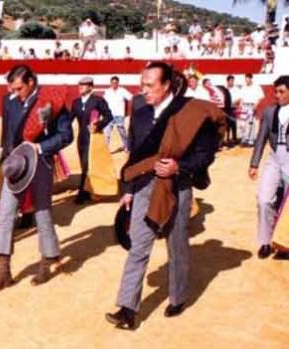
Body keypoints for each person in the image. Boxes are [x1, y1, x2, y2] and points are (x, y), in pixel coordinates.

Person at [106, 62, 226, 330]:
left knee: (177, 244)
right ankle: (127, 308)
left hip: (177, 186)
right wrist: (128, 191)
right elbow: (134, 156)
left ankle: (179, 295)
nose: (143, 90)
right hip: (145, 186)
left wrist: (178, 167)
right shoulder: (139, 114)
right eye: (142, 84)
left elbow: (205, 155)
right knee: (138, 245)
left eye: (149, 85)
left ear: (167, 85)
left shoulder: (193, 112)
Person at [0, 65, 74, 291]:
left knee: (42, 213)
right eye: (13, 88)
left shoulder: (51, 100)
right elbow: (7, 135)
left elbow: (66, 135)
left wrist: (40, 147)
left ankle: (46, 261)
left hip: (40, 164)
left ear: (32, 82)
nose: (16, 92)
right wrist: (4, 161)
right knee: (5, 214)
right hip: (15, 164)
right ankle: (4, 270)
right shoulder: (10, 101)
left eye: (20, 88)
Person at [249, 76, 289, 259]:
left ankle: (284, 243)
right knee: (264, 200)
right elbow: (261, 138)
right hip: (274, 158)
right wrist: (254, 163)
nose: (277, 95)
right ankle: (266, 242)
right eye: (276, 91)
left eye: (281, 91)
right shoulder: (269, 112)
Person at [70, 76, 113, 204]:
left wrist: (98, 125)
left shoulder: (98, 101)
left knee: (87, 165)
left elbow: (108, 116)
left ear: (90, 87)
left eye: (84, 85)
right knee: (85, 165)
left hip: (94, 137)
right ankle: (89, 190)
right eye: (80, 85)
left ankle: (82, 192)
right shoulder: (76, 102)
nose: (80, 87)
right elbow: (69, 119)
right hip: (81, 138)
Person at [103, 76, 133, 152]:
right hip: (109, 115)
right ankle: (105, 150)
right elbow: (103, 103)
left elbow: (131, 97)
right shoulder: (107, 91)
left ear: (118, 83)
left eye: (115, 83)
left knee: (122, 132)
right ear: (110, 83)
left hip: (119, 115)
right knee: (107, 133)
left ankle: (127, 146)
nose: (114, 84)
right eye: (112, 83)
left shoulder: (122, 91)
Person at [239, 73, 266, 147]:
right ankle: (244, 139)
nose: (246, 80)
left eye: (248, 79)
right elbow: (241, 97)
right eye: (245, 79)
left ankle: (251, 140)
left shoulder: (256, 87)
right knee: (242, 124)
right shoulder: (243, 87)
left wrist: (255, 105)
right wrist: (240, 106)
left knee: (251, 123)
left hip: (251, 106)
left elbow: (261, 97)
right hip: (244, 105)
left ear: (251, 78)